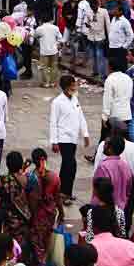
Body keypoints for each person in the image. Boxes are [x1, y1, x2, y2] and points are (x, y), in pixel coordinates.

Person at [49, 74, 90, 202]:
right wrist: (54, 141)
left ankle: (65, 191)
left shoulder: (75, 99)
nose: (75, 87)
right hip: (63, 138)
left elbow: (80, 116)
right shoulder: (57, 102)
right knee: (70, 165)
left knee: (66, 166)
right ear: (66, 87)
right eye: (73, 85)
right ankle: (63, 193)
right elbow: (53, 122)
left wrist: (85, 134)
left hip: (73, 138)